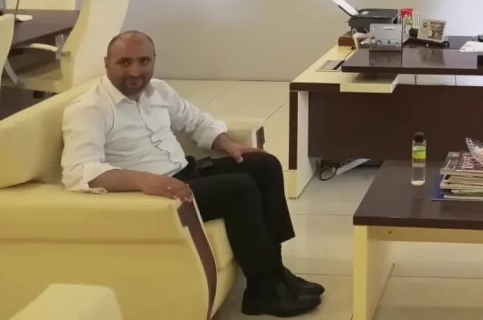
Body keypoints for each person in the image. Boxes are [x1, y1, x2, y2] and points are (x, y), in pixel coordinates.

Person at [61, 31, 324, 317]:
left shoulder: (158, 91)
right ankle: (262, 292)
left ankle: (275, 272)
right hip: (157, 197)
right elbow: (79, 170)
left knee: (264, 165)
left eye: (144, 61)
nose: (135, 71)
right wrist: (145, 181)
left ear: (154, 60)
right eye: (124, 62)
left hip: (185, 175)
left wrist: (229, 145)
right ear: (107, 63)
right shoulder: (89, 109)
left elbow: (196, 121)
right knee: (239, 188)